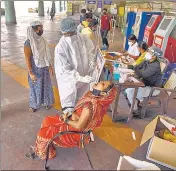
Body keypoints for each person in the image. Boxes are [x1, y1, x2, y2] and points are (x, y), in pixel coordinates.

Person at [25, 81, 116, 160]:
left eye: (103, 84)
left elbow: (79, 126)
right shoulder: (92, 96)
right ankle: (45, 147)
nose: (100, 82)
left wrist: (66, 121)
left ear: (103, 93)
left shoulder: (89, 106)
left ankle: (46, 154)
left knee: (43, 133)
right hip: (74, 120)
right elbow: (80, 115)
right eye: (102, 81)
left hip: (76, 130)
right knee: (47, 120)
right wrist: (70, 115)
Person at [55, 17, 96, 117]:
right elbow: (64, 71)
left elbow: (91, 52)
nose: (69, 36)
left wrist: (92, 63)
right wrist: (79, 77)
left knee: (84, 104)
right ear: (63, 33)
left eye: (71, 33)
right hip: (70, 82)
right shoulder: (60, 48)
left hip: (85, 79)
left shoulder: (83, 38)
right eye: (66, 34)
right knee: (70, 110)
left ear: (75, 30)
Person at [24, 21, 54, 112]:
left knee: (46, 86)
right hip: (35, 69)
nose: (42, 30)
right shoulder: (28, 43)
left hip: (44, 67)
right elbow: (27, 58)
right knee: (35, 87)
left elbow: (46, 54)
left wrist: (50, 66)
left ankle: (47, 102)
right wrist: (30, 73)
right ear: (34, 29)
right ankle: (34, 105)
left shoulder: (42, 40)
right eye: (41, 28)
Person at [125, 46, 163, 114]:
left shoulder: (155, 66)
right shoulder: (147, 61)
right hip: (145, 83)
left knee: (130, 92)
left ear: (154, 56)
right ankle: (138, 102)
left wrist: (135, 68)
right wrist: (126, 66)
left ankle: (135, 110)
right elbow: (138, 66)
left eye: (150, 52)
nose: (147, 53)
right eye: (148, 51)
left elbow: (142, 74)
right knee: (128, 90)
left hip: (153, 88)